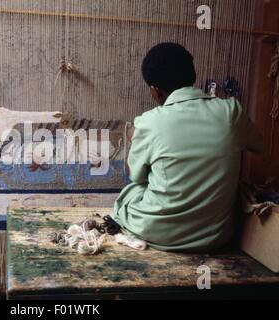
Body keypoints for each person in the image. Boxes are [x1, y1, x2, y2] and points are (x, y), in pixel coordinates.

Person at [111, 43, 264, 252]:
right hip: (215, 237)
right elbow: (259, 145)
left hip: (157, 234)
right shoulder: (230, 111)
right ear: (193, 76)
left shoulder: (149, 122)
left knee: (130, 193)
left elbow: (136, 176)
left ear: (154, 91)